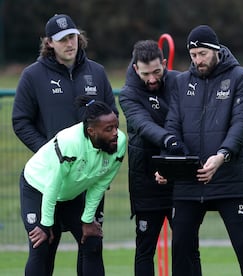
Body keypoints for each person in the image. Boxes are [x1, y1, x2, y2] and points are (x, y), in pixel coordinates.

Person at [12, 14, 117, 274]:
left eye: (72, 37)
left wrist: (99, 164)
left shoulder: (97, 72)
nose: (69, 44)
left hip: (83, 180)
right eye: (62, 40)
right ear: (49, 43)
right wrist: (51, 155)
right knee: (43, 245)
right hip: (46, 180)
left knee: (91, 243)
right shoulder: (32, 76)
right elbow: (21, 121)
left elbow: (111, 123)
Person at [157, 24, 243, 276]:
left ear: (216, 50)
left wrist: (221, 156)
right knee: (181, 246)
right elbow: (172, 126)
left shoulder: (242, 78)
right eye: (193, 55)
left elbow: (242, 124)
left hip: (229, 177)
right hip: (190, 180)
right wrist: (171, 163)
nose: (197, 60)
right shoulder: (182, 82)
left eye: (202, 53)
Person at [119, 40, 201, 276]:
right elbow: (143, 125)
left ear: (164, 63)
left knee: (188, 247)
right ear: (136, 69)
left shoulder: (180, 82)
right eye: (146, 74)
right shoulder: (128, 94)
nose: (153, 78)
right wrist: (169, 141)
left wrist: (173, 160)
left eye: (157, 71)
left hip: (180, 181)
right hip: (146, 181)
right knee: (145, 249)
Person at [19, 96, 126, 276]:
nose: (116, 133)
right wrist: (46, 224)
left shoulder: (118, 143)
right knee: (42, 244)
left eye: (116, 126)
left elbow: (99, 184)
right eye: (109, 129)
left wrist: (87, 219)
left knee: (92, 241)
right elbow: (52, 185)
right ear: (91, 131)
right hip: (38, 188)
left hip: (70, 194)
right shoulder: (70, 143)